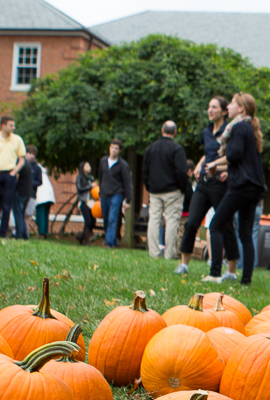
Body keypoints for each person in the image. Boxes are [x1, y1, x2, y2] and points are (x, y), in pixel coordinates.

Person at [204, 93, 266, 284]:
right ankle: (246, 279)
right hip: (254, 187)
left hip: (241, 186)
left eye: (231, 104)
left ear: (241, 109)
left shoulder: (239, 127)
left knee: (215, 224)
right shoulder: (250, 129)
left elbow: (235, 155)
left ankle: (214, 274)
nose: (228, 107)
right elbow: (241, 162)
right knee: (245, 233)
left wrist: (214, 163)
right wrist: (219, 167)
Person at [177, 97, 230, 275]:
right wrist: (200, 164)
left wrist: (226, 170)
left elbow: (235, 156)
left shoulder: (229, 132)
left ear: (224, 111)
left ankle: (227, 267)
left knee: (222, 225)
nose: (210, 110)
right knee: (191, 222)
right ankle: (184, 264)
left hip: (219, 184)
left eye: (214, 107)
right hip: (203, 183)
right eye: (209, 107)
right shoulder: (206, 132)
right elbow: (208, 155)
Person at [143, 120, 187, 259]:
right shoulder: (177, 149)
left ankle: (154, 252)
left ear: (162, 130)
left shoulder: (151, 149)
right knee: (172, 222)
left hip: (155, 190)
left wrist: (149, 186)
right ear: (174, 132)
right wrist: (182, 188)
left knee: (154, 220)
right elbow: (181, 172)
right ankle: (169, 253)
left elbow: (145, 171)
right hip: (173, 191)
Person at [97, 139, 135, 249]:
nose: (113, 150)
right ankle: (113, 241)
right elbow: (100, 177)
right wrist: (100, 191)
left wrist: (128, 199)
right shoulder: (103, 162)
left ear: (120, 151)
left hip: (117, 194)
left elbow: (127, 182)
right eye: (112, 147)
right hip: (104, 193)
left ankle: (108, 243)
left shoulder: (123, 165)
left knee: (112, 218)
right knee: (106, 219)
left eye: (116, 148)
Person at [15, 144, 43, 240]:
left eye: (34, 154)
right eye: (30, 153)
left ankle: (25, 233)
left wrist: (30, 183)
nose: (32, 156)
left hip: (31, 194)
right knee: (20, 213)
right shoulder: (21, 164)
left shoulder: (37, 168)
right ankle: (20, 232)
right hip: (21, 191)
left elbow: (39, 181)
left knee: (26, 214)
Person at [33, 149, 56, 238]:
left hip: (42, 196)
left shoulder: (37, 170)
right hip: (49, 196)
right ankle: (45, 232)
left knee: (40, 215)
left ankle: (41, 233)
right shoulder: (43, 171)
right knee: (45, 215)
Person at [74, 160, 97, 245]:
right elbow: (79, 189)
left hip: (92, 202)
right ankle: (86, 242)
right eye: (87, 166)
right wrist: (90, 187)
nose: (89, 168)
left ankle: (81, 237)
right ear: (82, 168)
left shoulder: (91, 178)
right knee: (88, 221)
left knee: (93, 222)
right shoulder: (79, 177)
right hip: (84, 201)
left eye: (89, 166)